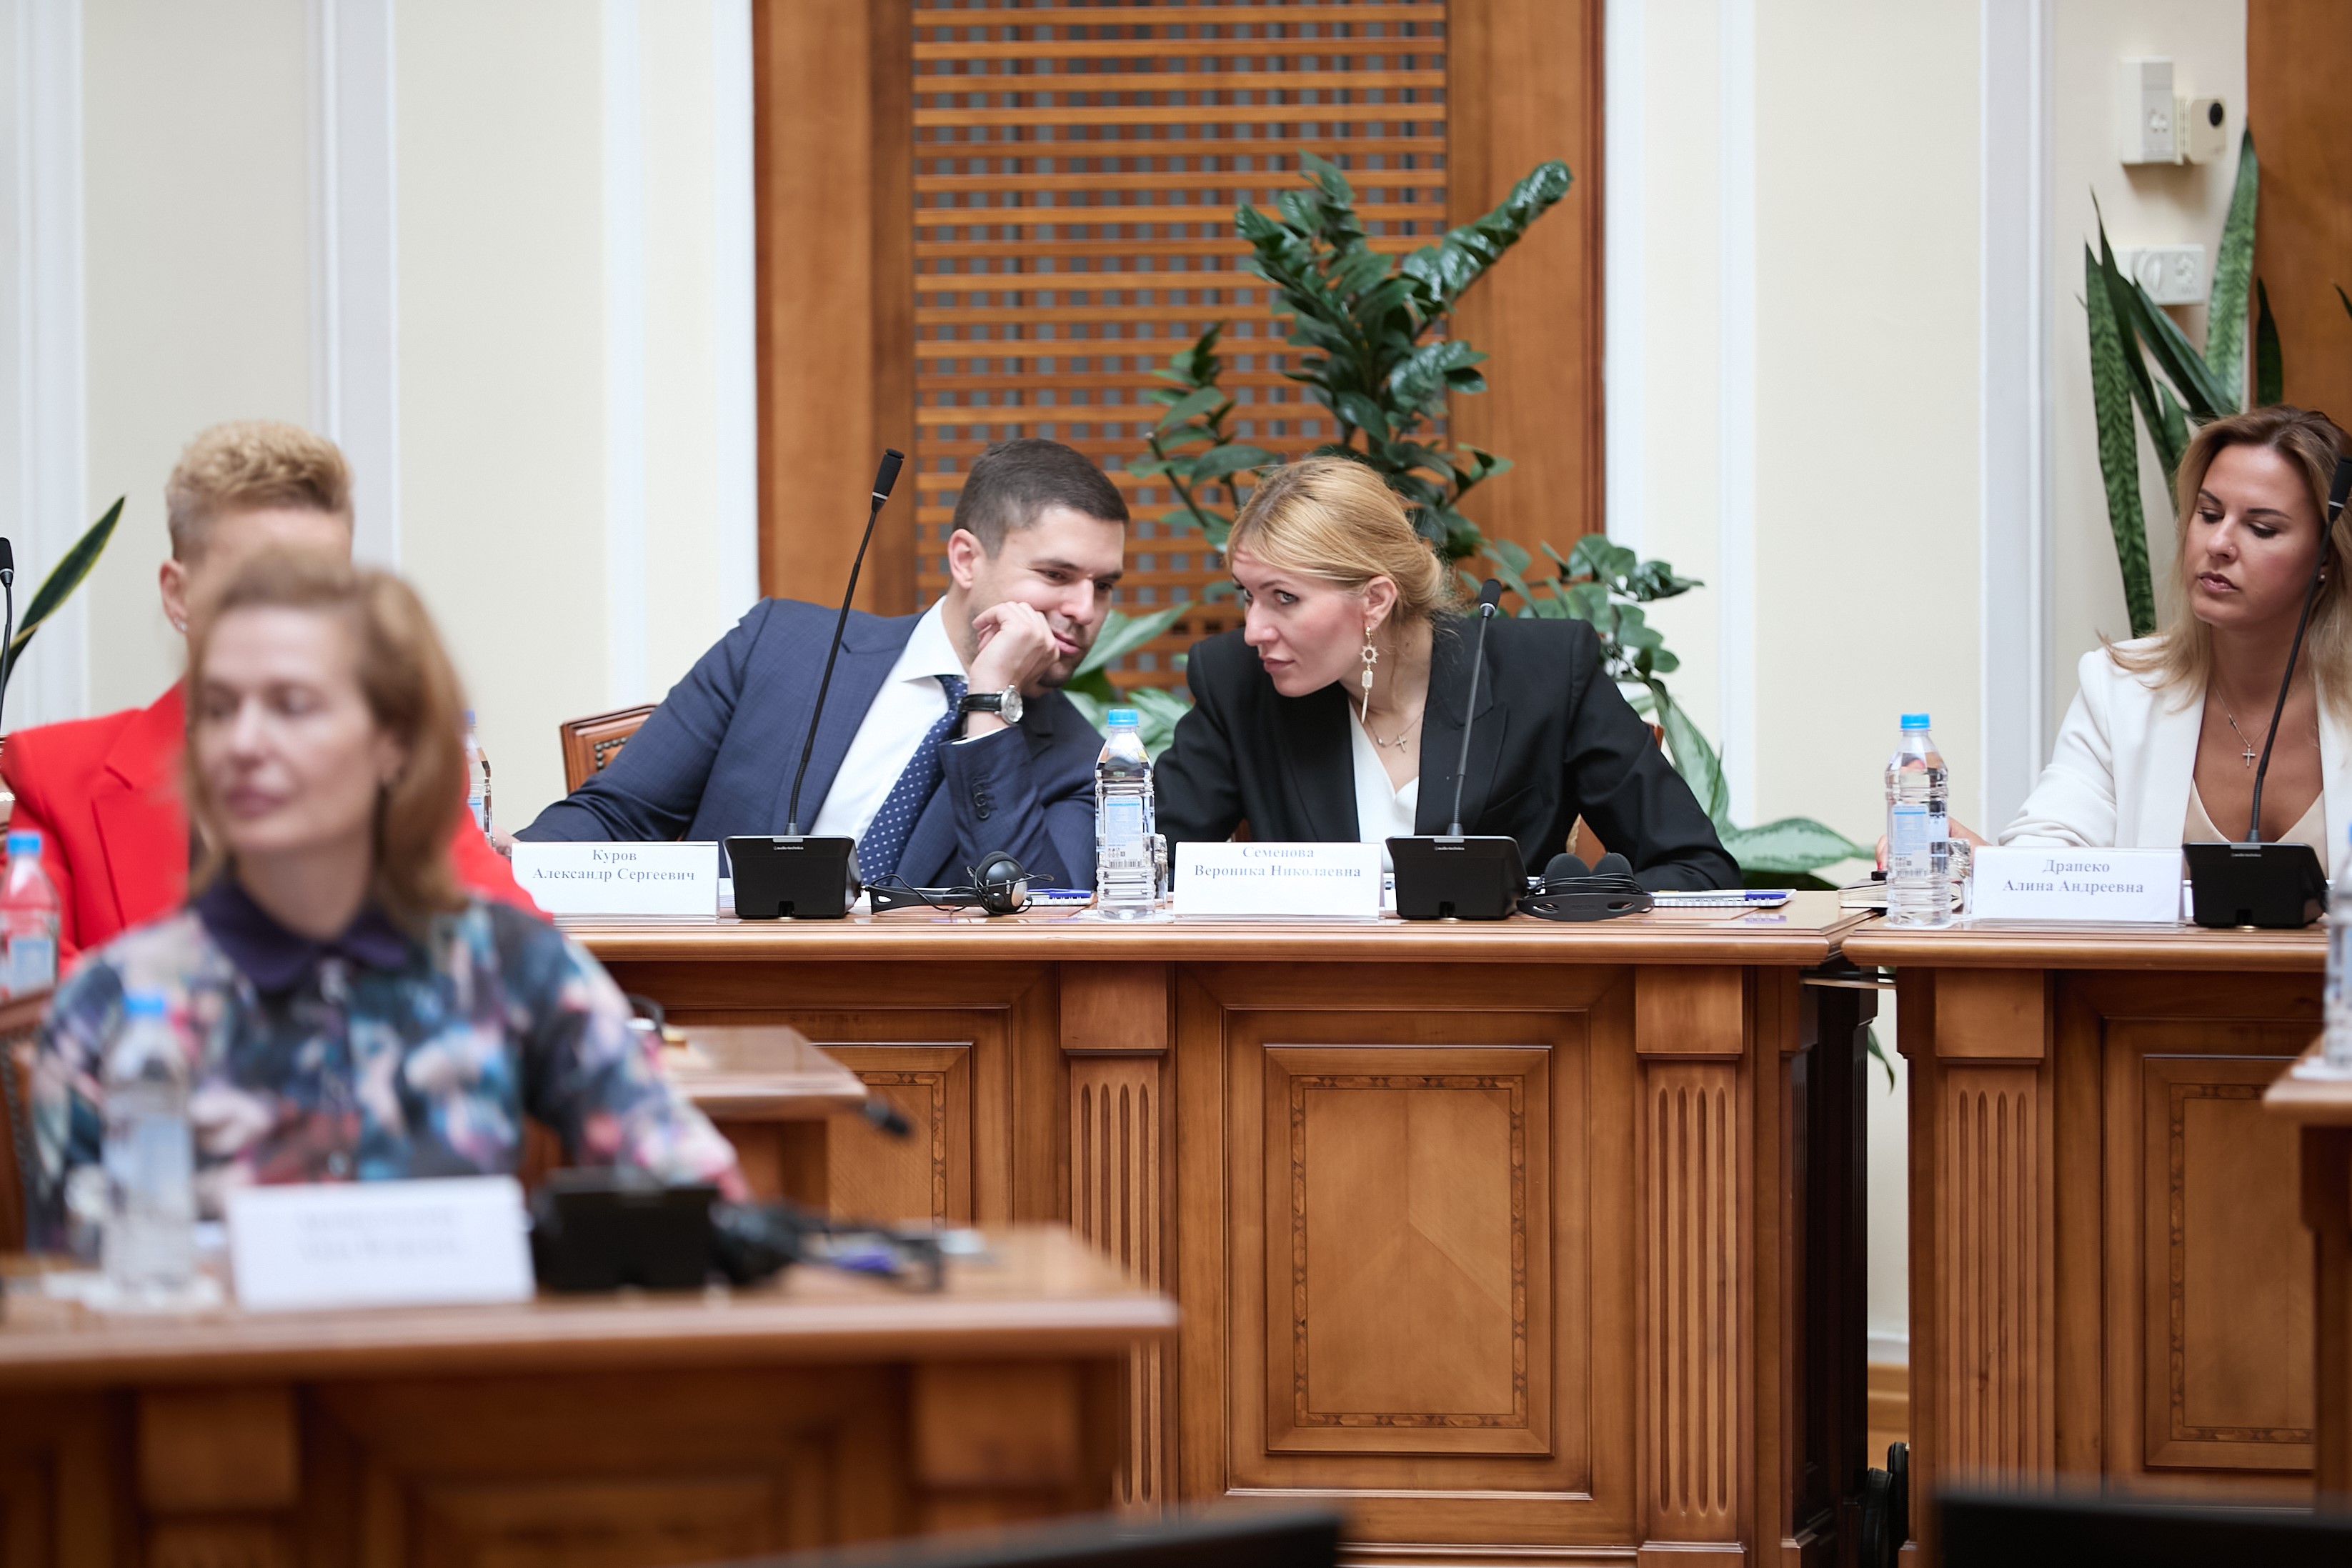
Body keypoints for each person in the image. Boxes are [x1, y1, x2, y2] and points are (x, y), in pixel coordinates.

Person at [26, 551, 740, 1247]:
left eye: (291, 705)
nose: (241, 743)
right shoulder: (111, 1003)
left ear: (394, 741)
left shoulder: (508, 965)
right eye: (217, 709)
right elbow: (77, 1293)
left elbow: (702, 1199)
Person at [1, 420, 534, 966]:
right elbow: (27, 980)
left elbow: (518, 957)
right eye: (253, 586)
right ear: (178, 593)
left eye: (321, 588)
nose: (290, 620)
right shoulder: (57, 779)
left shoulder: (392, 770)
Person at [517, 437, 1127, 889]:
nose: (1084, 609)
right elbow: (621, 815)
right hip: (711, 995)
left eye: (1103, 586)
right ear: (966, 559)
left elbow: (1040, 914)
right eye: (1056, 575)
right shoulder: (779, 646)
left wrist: (990, 702)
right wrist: (505, 868)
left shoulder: (1082, 763)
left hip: (916, 1020)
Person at [1154, 458, 1737, 889]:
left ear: (1375, 600)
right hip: (1305, 1004)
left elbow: (1698, 869)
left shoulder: (1547, 673)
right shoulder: (1237, 683)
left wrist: (1554, 910)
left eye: (1284, 597)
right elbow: (1154, 872)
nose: (1254, 629)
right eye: (1247, 595)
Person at [2002, 404, 2352, 877]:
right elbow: (2045, 852)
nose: (2218, 544)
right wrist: (1983, 864)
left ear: (2326, 556)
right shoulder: (2119, 687)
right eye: (2209, 514)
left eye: (2261, 528)